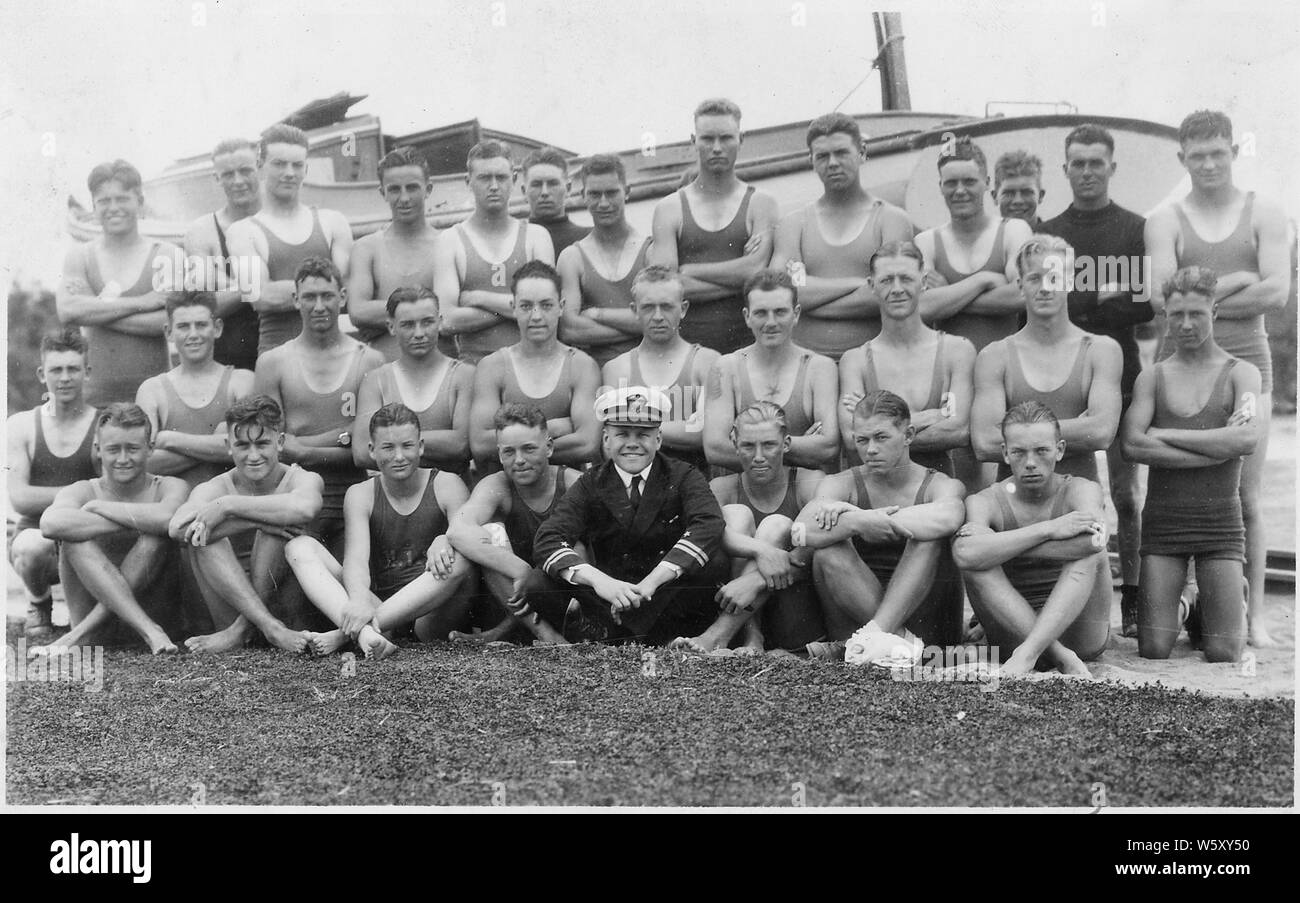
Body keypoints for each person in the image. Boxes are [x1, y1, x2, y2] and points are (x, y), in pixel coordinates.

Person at [1145, 110, 1290, 648]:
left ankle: (1252, 617)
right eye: (1197, 155)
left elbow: (1276, 294)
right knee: (1178, 488)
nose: (1208, 163)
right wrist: (1238, 280)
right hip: (1177, 365)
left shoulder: (1265, 211)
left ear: (1234, 152)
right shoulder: (1164, 219)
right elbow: (1164, 302)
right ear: (1182, 159)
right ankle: (1179, 600)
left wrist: (1198, 300)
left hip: (1249, 358)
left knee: (1246, 496)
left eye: (1217, 152)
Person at [1041, 123, 1153, 638]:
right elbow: (1054, 298)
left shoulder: (1135, 227)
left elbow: (1146, 304)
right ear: (1065, 169)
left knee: (1127, 495)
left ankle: (1132, 596)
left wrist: (1093, 298)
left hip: (1123, 369)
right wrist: (1101, 295)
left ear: (1112, 166)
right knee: (1064, 488)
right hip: (1064, 370)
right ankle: (1053, 589)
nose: (1087, 172)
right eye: (1078, 163)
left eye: (1096, 163)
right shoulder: (1051, 228)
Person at [1121, 267, 1259, 662]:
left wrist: (1166, 434)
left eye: (1196, 314)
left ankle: (1215, 605)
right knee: (1153, 648)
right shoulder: (1154, 377)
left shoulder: (1241, 373)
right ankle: (1185, 605)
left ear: (1214, 312)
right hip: (1165, 523)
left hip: (1220, 524)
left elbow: (1246, 439)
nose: (1185, 324)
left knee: (1223, 651)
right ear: (1165, 316)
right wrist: (1218, 447)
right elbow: (1132, 445)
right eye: (1175, 314)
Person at [519, 386, 728, 644]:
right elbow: (549, 537)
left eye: (643, 434)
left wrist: (652, 582)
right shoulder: (591, 482)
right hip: (609, 599)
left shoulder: (683, 475)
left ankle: (658, 638)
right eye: (622, 434)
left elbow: (709, 523)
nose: (632, 443)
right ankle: (608, 636)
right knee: (537, 583)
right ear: (606, 439)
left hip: (663, 595)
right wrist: (601, 583)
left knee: (714, 562)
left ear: (658, 439)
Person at [285, 403, 475, 657]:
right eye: (388, 447)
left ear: (420, 447)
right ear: (372, 451)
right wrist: (361, 599)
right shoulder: (361, 493)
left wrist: (445, 538)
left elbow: (466, 535)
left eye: (407, 446)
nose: (399, 456)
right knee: (298, 547)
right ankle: (367, 633)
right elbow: (356, 560)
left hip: (431, 616)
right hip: (379, 603)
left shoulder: (447, 484)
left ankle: (347, 633)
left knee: (462, 556)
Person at [793, 391, 966, 659]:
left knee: (928, 536)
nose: (871, 449)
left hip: (925, 626)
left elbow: (949, 517)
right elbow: (801, 531)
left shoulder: (940, 484)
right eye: (862, 440)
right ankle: (894, 641)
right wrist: (860, 520)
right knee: (829, 548)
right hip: (856, 625)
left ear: (908, 435)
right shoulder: (842, 482)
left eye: (881, 437)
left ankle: (879, 635)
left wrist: (857, 518)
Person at [952, 401, 1112, 676]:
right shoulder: (985, 500)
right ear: (1004, 453)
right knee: (977, 564)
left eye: (1041, 451)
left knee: (1089, 555)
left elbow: (1093, 542)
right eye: (1019, 453)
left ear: (1059, 450)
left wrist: (1000, 544)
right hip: (1013, 638)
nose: (1030, 463)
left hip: (1079, 633)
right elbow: (965, 554)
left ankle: (1033, 652)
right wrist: (1049, 529)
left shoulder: (1081, 489)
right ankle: (1054, 654)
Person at [169, 395, 324, 654]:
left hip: (286, 609)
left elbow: (305, 507)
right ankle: (261, 627)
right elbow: (177, 528)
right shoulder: (215, 487)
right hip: (232, 607)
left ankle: (245, 630)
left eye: (262, 443)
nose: (253, 456)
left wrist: (229, 507)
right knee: (201, 534)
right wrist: (249, 520)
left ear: (281, 442)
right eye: (242, 445)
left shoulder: (302, 478)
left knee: (278, 525)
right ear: (228, 446)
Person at [254, 257, 385, 558]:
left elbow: (371, 443)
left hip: (354, 492)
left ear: (342, 297)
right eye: (310, 297)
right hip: (293, 491)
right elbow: (273, 444)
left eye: (327, 296)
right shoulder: (274, 362)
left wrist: (304, 448)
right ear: (295, 299)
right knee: (283, 593)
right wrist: (346, 434)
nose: (319, 306)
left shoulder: (369, 359)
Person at [33, 404, 189, 656]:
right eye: (114, 449)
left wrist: (99, 508)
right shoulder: (83, 489)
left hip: (156, 612)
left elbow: (169, 518)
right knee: (73, 538)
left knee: (155, 538)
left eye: (133, 449)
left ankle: (82, 635)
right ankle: (147, 629)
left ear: (150, 449)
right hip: (97, 630)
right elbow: (50, 524)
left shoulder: (169, 486)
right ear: (97, 449)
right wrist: (135, 518)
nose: (123, 459)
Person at [672, 402, 825, 654]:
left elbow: (819, 550)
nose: (758, 457)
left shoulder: (809, 481)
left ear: (786, 444)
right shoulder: (721, 487)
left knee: (776, 525)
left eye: (769, 445)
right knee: (735, 515)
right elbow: (703, 537)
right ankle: (751, 638)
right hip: (733, 607)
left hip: (793, 614)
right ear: (734, 443)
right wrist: (762, 552)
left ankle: (719, 636)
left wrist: (755, 581)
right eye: (748, 446)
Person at [971, 235, 1123, 484]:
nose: (1045, 287)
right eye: (1034, 278)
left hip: (1080, 502)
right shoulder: (995, 356)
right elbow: (984, 443)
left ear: (1071, 281)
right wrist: (1076, 428)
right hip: (1014, 511)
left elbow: (1102, 433)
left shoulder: (1101, 350)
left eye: (1054, 277)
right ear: (1020, 285)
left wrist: (1016, 437)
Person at [769, 113, 914, 359]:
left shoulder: (890, 220)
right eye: (823, 156)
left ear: (862, 152)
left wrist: (809, 301)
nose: (833, 163)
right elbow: (782, 292)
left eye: (841, 153)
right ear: (811, 161)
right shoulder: (795, 224)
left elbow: (891, 294)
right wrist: (861, 284)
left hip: (873, 362)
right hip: (807, 364)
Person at [649, 98, 780, 354]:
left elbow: (757, 272)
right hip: (686, 351)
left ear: (741, 139)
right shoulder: (670, 208)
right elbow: (665, 290)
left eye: (726, 138)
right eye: (707, 139)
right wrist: (740, 274)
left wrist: (688, 270)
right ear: (693, 141)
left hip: (750, 348)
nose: (717, 148)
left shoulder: (762, 203)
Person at [444, 403, 582, 645]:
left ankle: (505, 632)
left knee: (577, 544)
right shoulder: (496, 485)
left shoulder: (573, 483)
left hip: (566, 595)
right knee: (489, 533)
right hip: (514, 593)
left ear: (548, 447)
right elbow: (458, 530)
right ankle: (547, 637)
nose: (519, 460)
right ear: (499, 454)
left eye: (529, 449)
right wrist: (519, 569)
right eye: (509, 452)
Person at [838, 241, 975, 475]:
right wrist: (929, 418)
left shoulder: (957, 350)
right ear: (872, 285)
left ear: (923, 282)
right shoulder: (856, 360)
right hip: (875, 497)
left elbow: (958, 431)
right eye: (886, 280)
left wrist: (878, 432)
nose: (897, 288)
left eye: (906, 278)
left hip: (935, 495)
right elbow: (852, 439)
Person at [57, 159, 181, 407]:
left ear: (140, 202)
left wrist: (95, 314)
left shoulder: (166, 254)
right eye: (104, 201)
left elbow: (170, 323)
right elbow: (68, 311)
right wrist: (143, 302)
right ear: (93, 206)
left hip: (156, 398)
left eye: (122, 199)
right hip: (95, 398)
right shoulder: (80, 256)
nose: (113, 207)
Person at [225, 123, 353, 355]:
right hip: (279, 355)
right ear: (260, 166)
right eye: (279, 164)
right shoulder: (242, 231)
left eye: (297, 165)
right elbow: (261, 297)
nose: (289, 173)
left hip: (333, 353)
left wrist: (286, 289)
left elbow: (346, 287)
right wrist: (325, 287)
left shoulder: (333, 222)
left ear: (307, 168)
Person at [7, 330, 100, 640]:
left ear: (87, 372)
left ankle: (97, 606)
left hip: (90, 535)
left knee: (94, 629)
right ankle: (39, 603)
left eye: (73, 369)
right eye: (56, 370)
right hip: (39, 535)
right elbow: (20, 498)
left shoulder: (103, 424)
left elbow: (112, 491)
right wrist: (82, 492)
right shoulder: (22, 424)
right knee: (31, 547)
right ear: (41, 374)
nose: (64, 378)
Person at [468, 261, 601, 471]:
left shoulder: (581, 365)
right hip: (510, 488)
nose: (536, 316)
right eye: (526, 306)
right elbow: (480, 445)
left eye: (546, 305)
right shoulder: (493, 366)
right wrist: (557, 426)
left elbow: (587, 444)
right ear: (513, 308)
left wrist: (515, 444)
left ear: (561, 307)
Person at [703, 269, 839, 472]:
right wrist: (800, 448)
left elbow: (828, 447)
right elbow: (715, 449)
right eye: (761, 313)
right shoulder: (726, 367)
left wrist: (749, 445)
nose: (771, 322)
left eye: (780, 312)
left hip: (803, 491)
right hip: (744, 493)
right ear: (747, 317)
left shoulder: (819, 367)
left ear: (796, 314)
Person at [433, 140, 555, 364]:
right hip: (474, 369)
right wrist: (520, 308)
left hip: (532, 365)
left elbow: (548, 309)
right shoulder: (450, 241)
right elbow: (447, 320)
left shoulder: (536, 236)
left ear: (514, 179)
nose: (494, 186)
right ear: (468, 182)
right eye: (484, 178)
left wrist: (479, 298)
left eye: (501, 177)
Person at [601, 266, 719, 473]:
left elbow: (706, 433)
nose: (657, 316)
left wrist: (635, 423)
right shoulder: (617, 368)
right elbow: (609, 444)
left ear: (683, 309)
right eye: (648, 307)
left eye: (666, 307)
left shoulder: (706, 361)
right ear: (634, 310)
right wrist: (680, 426)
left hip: (694, 482)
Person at [136, 291, 255, 489]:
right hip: (170, 510)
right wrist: (219, 445)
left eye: (201, 325)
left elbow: (251, 448)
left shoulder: (241, 381)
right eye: (183, 326)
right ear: (169, 332)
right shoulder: (152, 390)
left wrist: (169, 439)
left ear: (217, 328)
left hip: (231, 505)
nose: (193, 334)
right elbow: (143, 463)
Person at [352, 287, 474, 474]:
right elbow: (361, 452)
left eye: (427, 322)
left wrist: (388, 444)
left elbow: (462, 445)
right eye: (408, 325)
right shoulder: (376, 380)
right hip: (391, 497)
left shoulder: (463, 375)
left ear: (440, 322)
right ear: (391, 327)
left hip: (451, 494)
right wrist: (435, 443)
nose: (419, 333)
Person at [347, 146, 443, 362]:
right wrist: (428, 313)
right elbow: (358, 311)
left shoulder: (447, 244)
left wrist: (386, 316)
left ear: (428, 189)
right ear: (383, 193)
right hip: (383, 372)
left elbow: (453, 310)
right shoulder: (366, 248)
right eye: (394, 189)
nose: (404, 198)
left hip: (439, 373)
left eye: (412, 187)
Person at [557, 154, 649, 367]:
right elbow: (570, 329)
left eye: (612, 193)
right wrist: (638, 325)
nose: (604, 203)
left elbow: (661, 317)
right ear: (583, 196)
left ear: (627, 192)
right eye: (595, 194)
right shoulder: (572, 257)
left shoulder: (649, 250)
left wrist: (597, 314)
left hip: (648, 372)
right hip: (596, 377)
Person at [182, 137, 263, 370]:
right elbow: (204, 308)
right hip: (228, 361)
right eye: (228, 174)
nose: (238, 181)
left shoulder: (281, 221)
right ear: (216, 178)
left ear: (260, 168)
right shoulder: (202, 231)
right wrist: (261, 286)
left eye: (245, 170)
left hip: (282, 352)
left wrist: (231, 287)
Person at [520, 146, 590, 256]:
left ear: (568, 188)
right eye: (536, 184)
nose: (544, 192)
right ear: (524, 191)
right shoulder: (513, 243)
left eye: (553, 184)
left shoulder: (588, 240)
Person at [992, 150, 1046, 231]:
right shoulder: (985, 242)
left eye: (1026, 192)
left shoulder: (1057, 241)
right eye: (1009, 193)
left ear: (1041, 196)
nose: (1018, 201)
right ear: (995, 197)